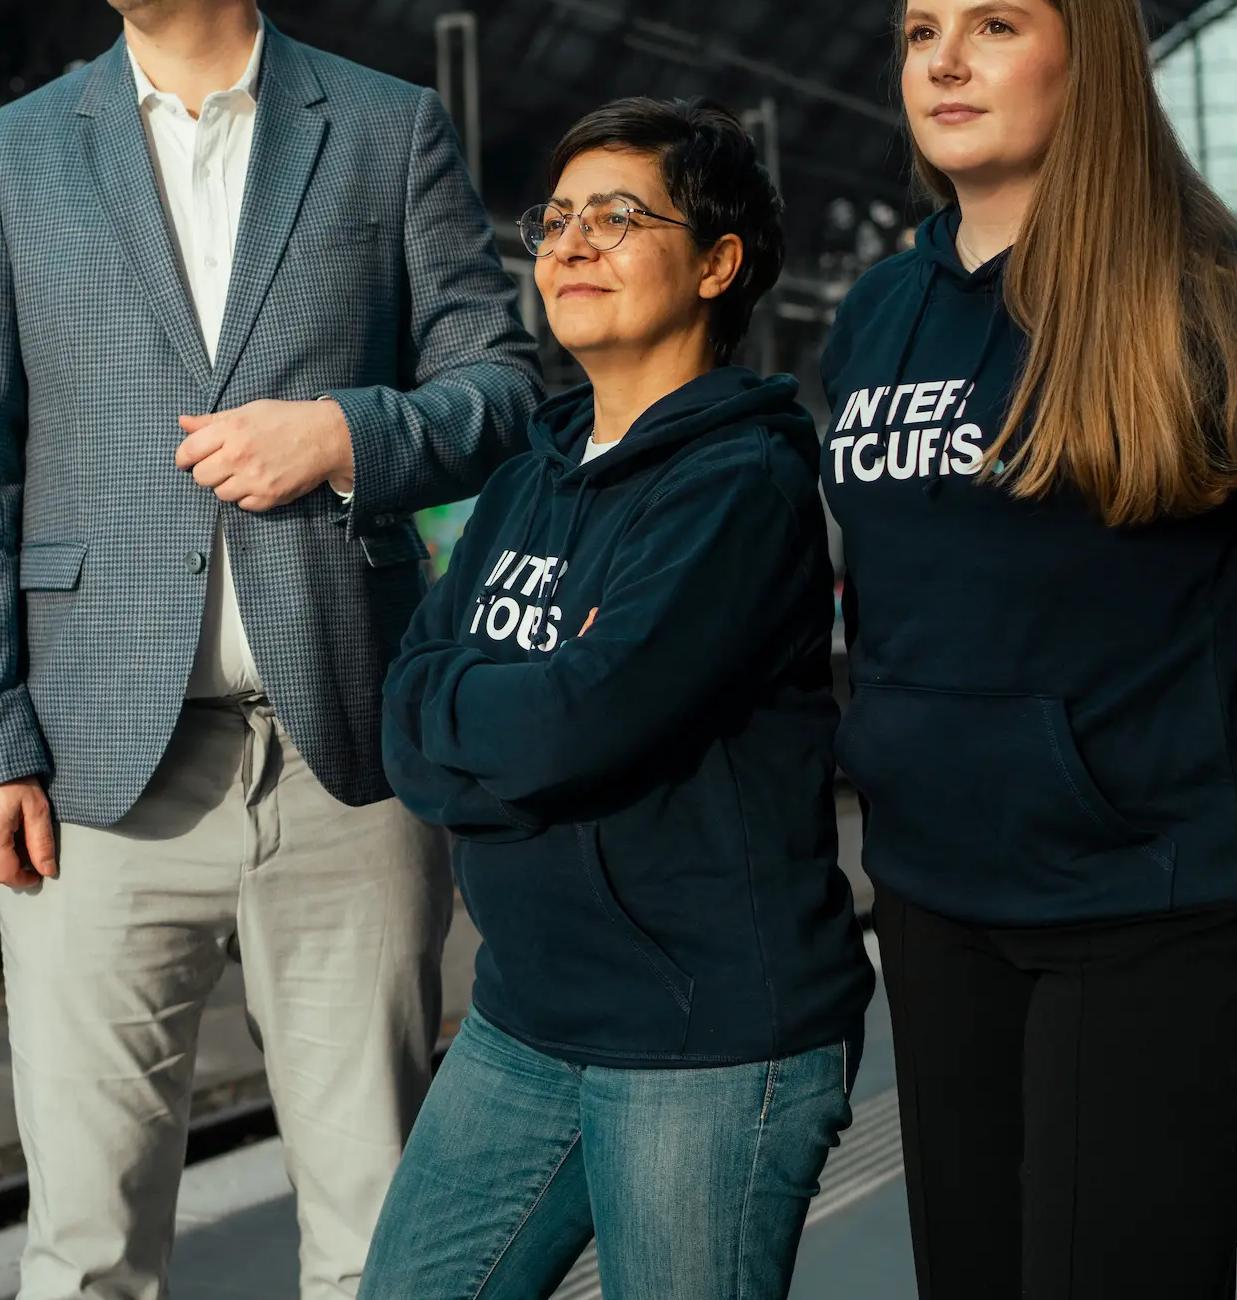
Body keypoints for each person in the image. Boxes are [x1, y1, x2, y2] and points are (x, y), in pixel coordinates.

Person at [0, 0, 539, 1300]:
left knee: (377, 1230)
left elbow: (505, 385)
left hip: (344, 764)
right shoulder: (14, 156)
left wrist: (349, 436)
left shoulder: (387, 130)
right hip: (93, 775)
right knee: (84, 1251)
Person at [821, 0, 1237, 1299]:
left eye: (995, 26)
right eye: (922, 32)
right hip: (932, 898)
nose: (946, 63)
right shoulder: (876, 313)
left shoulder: (1212, 302)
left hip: (1153, 906)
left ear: (1085, 54)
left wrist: (1174, 717)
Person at [370, 99, 873, 1298]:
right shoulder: (526, 477)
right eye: (555, 219)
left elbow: (579, 725)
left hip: (706, 1041)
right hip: (523, 1015)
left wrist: (500, 709)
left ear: (717, 263)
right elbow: (405, 712)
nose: (570, 243)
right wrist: (519, 707)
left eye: (619, 215)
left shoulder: (740, 486)